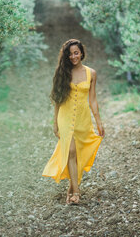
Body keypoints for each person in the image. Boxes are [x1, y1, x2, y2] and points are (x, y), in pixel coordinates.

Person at [42, 38, 105, 205]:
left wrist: (98, 122)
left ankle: (71, 188)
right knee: (70, 151)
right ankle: (77, 192)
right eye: (69, 54)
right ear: (66, 56)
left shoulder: (91, 73)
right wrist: (55, 122)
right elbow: (57, 100)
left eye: (76, 53)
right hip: (65, 116)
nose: (73, 57)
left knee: (79, 154)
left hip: (83, 119)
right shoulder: (63, 72)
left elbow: (93, 100)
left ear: (81, 53)